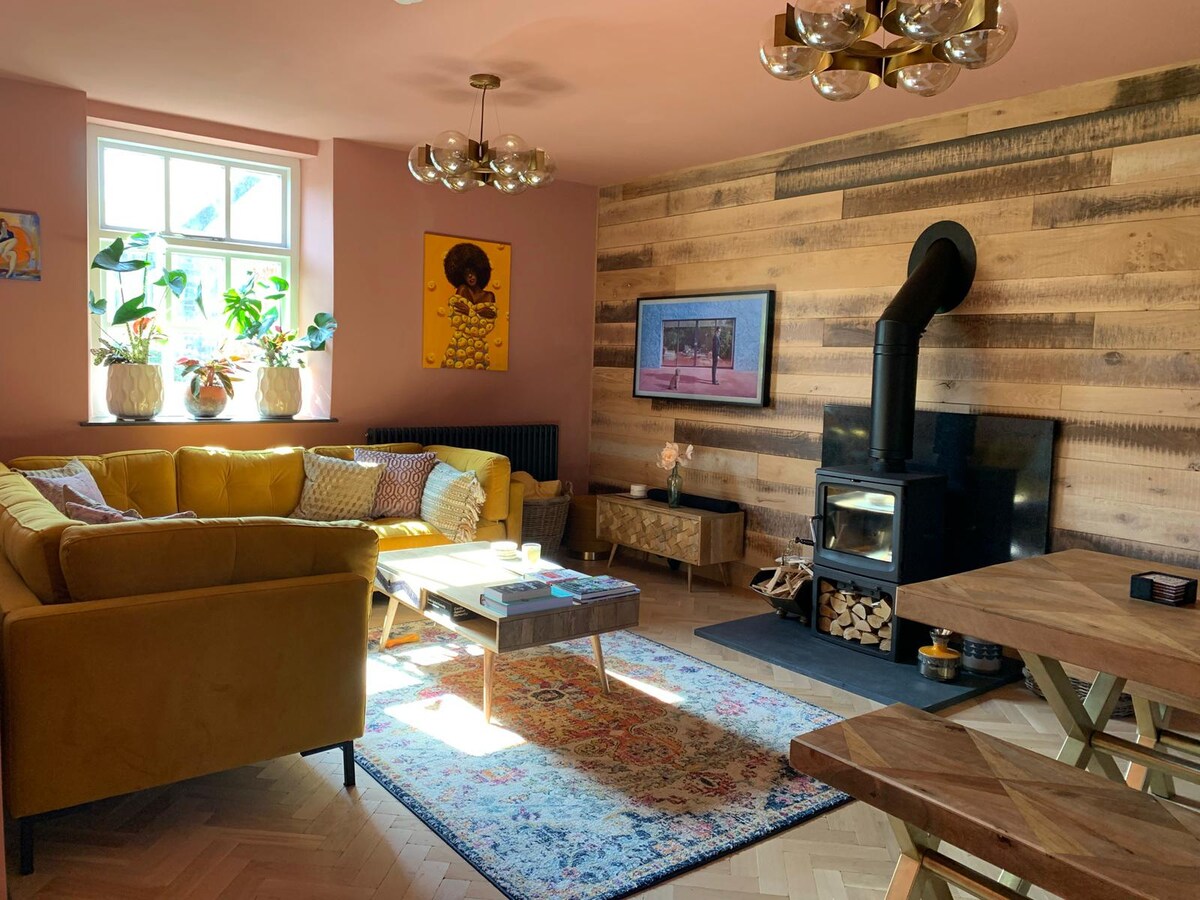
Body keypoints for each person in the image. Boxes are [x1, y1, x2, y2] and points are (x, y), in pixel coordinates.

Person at [441, 242, 499, 370]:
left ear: (478, 272)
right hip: (460, 345)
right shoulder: (462, 290)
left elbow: (486, 327)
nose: (470, 276)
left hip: (479, 348)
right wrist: (478, 314)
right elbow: (458, 322)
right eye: (466, 273)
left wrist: (469, 311)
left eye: (472, 272)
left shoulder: (489, 296)